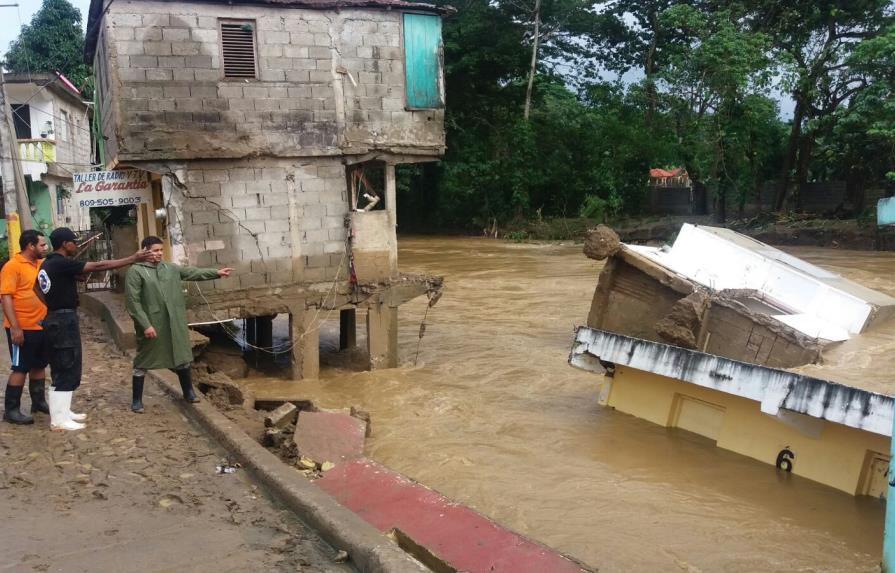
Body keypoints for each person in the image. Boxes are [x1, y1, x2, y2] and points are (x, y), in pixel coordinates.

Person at [37, 227, 152, 431]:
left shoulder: (48, 264)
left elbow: (35, 288)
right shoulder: (61, 263)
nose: (76, 245)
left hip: (56, 317)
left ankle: (62, 411)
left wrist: (51, 305)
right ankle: (58, 420)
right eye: (74, 241)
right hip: (63, 320)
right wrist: (133, 258)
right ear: (65, 244)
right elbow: (101, 264)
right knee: (67, 364)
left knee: (62, 365)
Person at [125, 236, 232, 413]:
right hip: (153, 324)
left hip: (175, 321)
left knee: (182, 356)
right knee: (143, 360)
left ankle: (188, 392)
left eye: (161, 250)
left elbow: (192, 273)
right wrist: (145, 324)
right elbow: (133, 302)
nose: (159, 253)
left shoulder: (170, 268)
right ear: (145, 251)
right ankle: (136, 401)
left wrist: (216, 273)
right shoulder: (136, 272)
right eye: (155, 250)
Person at [1, 230, 49, 424]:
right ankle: (11, 410)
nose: (45, 248)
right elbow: (5, 297)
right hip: (22, 326)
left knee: (39, 364)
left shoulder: (41, 264)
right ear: (30, 245)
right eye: (42, 245)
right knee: (20, 367)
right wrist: (15, 327)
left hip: (41, 326)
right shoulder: (12, 266)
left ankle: (38, 401)